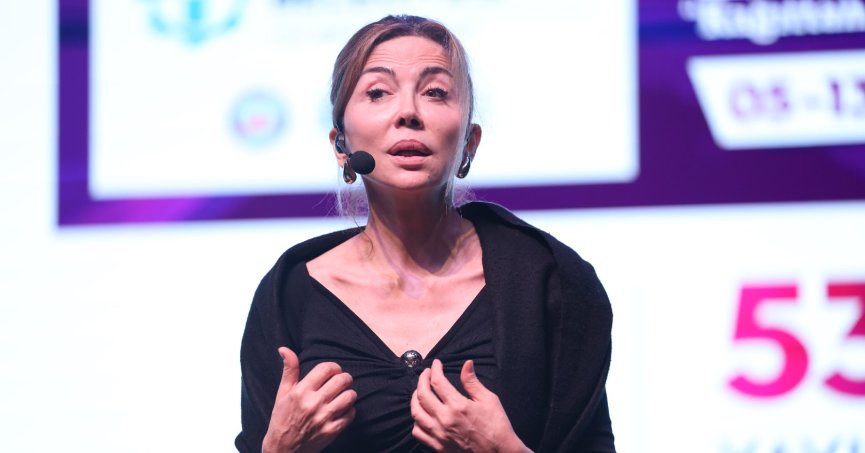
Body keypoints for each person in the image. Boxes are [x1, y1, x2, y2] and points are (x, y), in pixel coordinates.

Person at [235, 14, 615, 453]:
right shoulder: (289, 293)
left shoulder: (549, 281)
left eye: (435, 92)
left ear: (469, 142)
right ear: (341, 145)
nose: (408, 113)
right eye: (378, 92)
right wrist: (279, 448)